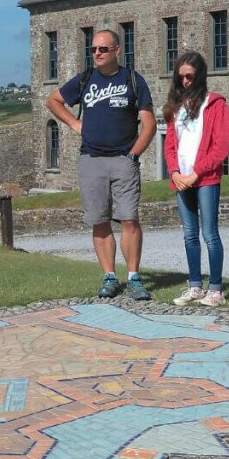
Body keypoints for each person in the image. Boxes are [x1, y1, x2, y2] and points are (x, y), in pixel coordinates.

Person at [45, 27, 156, 300]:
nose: (96, 53)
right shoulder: (85, 80)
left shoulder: (133, 79)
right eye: (93, 49)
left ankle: (133, 277)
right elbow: (53, 100)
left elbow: (149, 124)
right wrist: (75, 123)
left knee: (129, 219)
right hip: (91, 159)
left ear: (117, 50)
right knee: (99, 221)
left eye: (103, 49)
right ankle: (109, 277)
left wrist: (133, 155)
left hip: (123, 159)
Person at [162, 52, 229, 308]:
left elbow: (221, 146)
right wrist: (174, 173)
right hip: (182, 180)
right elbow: (170, 146)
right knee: (189, 234)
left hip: (205, 179)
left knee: (209, 234)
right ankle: (195, 286)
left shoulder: (215, 104)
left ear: (200, 75)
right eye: (180, 77)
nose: (185, 82)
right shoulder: (176, 108)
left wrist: (196, 173)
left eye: (189, 76)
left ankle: (216, 289)